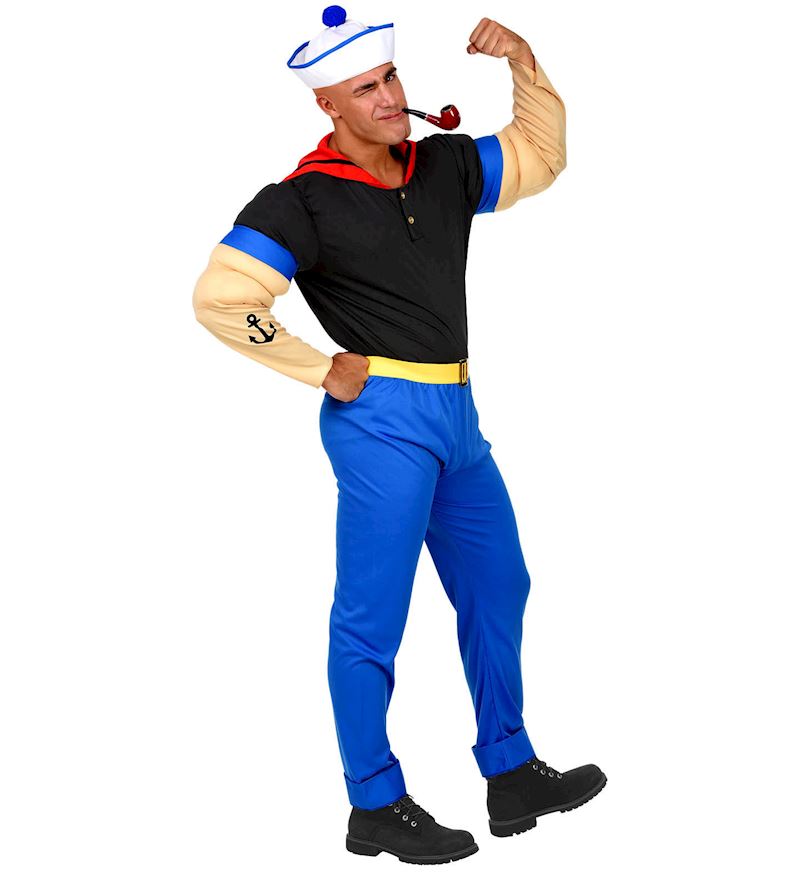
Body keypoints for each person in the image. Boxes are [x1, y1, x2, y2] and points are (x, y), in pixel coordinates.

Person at [192, 6, 606, 864]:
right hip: (380, 422)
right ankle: (374, 804)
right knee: (372, 619)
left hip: (458, 416)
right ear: (327, 105)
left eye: (389, 79)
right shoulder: (300, 200)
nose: (386, 98)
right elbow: (221, 298)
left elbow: (542, 156)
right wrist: (319, 368)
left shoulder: (443, 165)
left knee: (499, 584)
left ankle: (511, 770)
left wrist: (523, 61)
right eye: (363, 90)